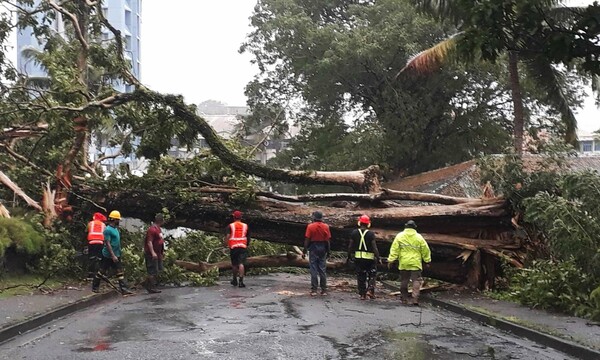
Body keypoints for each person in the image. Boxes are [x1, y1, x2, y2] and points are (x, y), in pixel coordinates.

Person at [387, 220, 431, 306]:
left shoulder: (400, 236)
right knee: (416, 280)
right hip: (416, 262)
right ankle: (415, 298)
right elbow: (425, 249)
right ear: (415, 227)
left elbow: (394, 249)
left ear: (406, 227)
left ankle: (404, 298)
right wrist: (427, 260)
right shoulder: (419, 237)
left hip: (404, 262)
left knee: (404, 280)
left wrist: (391, 260)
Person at [92, 210, 133, 295]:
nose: (119, 221)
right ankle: (95, 287)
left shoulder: (115, 229)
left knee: (120, 272)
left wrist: (117, 254)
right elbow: (107, 244)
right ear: (114, 219)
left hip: (116, 254)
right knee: (101, 271)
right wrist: (113, 255)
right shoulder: (107, 230)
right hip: (108, 255)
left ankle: (124, 289)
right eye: (118, 219)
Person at [347, 215, 381, 300]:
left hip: (358, 258)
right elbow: (374, 247)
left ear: (359, 222)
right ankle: (370, 290)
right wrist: (378, 257)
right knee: (372, 274)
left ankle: (362, 294)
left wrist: (349, 256)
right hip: (369, 258)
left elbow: (350, 246)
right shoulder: (371, 234)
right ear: (368, 224)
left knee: (361, 276)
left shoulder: (354, 233)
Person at [303, 211, 331, 296]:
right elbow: (327, 241)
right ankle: (324, 290)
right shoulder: (326, 226)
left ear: (314, 217)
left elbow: (307, 239)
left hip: (313, 248)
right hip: (322, 248)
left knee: (313, 269)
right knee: (322, 269)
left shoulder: (310, 226)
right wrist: (328, 251)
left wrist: (304, 250)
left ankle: (314, 290)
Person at [224, 210, 250, 288]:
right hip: (242, 246)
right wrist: (247, 244)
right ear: (241, 217)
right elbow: (248, 237)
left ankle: (235, 280)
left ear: (233, 217)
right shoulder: (245, 226)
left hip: (234, 247)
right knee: (241, 263)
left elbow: (228, 236)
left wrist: (225, 244)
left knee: (235, 264)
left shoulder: (230, 226)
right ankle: (241, 282)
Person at [142, 214, 165, 294]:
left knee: (158, 269)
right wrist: (153, 253)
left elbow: (160, 241)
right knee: (152, 270)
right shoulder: (152, 229)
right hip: (152, 253)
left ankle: (148, 284)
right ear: (160, 220)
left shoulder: (158, 229)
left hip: (158, 253)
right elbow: (149, 242)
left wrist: (162, 252)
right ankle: (151, 287)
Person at [86, 212, 106, 279]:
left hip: (92, 242)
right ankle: (99, 274)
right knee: (100, 258)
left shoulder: (90, 223)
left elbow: (87, 230)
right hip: (100, 242)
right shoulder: (103, 225)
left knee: (92, 258)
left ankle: (90, 275)